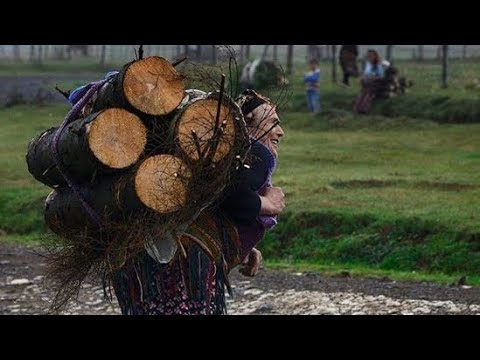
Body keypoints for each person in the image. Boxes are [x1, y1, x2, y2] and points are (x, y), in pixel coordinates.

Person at [112, 90, 286, 315]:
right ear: (248, 123)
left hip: (142, 256)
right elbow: (234, 197)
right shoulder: (251, 151)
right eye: (273, 122)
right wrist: (268, 204)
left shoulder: (216, 154)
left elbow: (213, 202)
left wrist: (243, 246)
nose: (279, 131)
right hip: (177, 263)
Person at [354, 49, 387, 114]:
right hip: (367, 83)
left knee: (368, 94)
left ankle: (363, 110)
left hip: (375, 84)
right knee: (362, 95)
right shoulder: (368, 64)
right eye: (368, 56)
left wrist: (372, 78)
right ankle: (356, 109)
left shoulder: (378, 65)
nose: (369, 57)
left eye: (371, 56)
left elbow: (381, 76)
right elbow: (366, 74)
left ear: (375, 56)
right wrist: (362, 77)